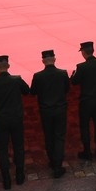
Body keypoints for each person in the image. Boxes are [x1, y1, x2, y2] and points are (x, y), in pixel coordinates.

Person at [0, 55, 29, 189]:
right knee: (18, 147)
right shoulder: (17, 80)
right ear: (8, 66)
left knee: (2, 150)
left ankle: (6, 180)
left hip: (0, 121)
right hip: (16, 119)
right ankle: (20, 176)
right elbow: (27, 92)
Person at [30, 50, 70, 178]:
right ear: (54, 59)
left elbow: (33, 92)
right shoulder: (63, 74)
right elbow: (67, 89)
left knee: (49, 136)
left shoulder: (38, 76)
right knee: (59, 137)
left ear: (43, 61)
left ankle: (52, 161)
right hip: (60, 109)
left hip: (45, 111)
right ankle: (58, 165)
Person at [71, 41, 96, 159]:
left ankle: (87, 151)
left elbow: (74, 81)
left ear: (83, 53)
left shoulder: (81, 67)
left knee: (85, 126)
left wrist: (72, 75)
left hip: (86, 101)